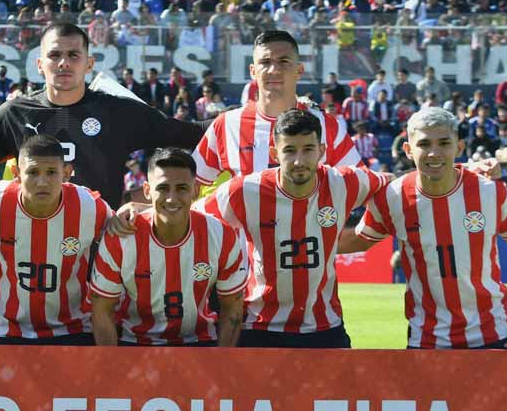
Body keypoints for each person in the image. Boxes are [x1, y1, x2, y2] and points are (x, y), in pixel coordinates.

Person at [0, 22, 210, 207]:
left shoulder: (119, 112)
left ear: (89, 63)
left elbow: (189, 133)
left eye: (73, 55)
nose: (64, 63)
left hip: (99, 247)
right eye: (54, 55)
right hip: (37, 243)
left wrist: (244, 118)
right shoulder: (14, 115)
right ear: (40, 65)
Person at [195, 109, 388, 348]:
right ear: (275, 153)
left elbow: (392, 186)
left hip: (325, 326)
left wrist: (370, 232)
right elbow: (190, 216)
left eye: (308, 149)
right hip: (260, 326)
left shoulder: (346, 182)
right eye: (289, 150)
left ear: (322, 151)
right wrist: (136, 211)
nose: (299, 161)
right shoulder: (244, 191)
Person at [341, 108, 507, 349]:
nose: (434, 152)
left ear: (459, 147)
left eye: (444, 143)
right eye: (424, 144)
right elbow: (359, 240)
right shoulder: (393, 197)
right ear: (408, 149)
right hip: (426, 340)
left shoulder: (491, 192)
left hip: (495, 336)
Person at [90, 148, 247, 347]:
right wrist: (112, 369)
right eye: (163, 188)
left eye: (181, 188)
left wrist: (220, 364)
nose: (172, 198)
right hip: (135, 344)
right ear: (147, 191)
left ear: (195, 190)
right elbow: (102, 310)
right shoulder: (121, 238)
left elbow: (232, 310)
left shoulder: (221, 235)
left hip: (199, 343)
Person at [0, 135, 111, 345]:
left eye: (52, 172)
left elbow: (123, 234)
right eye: (33, 172)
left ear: (67, 174)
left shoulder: (89, 207)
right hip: (7, 330)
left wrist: (132, 210)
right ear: (16, 173)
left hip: (72, 329)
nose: (42, 181)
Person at [193, 30, 360, 186]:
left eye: (284, 62)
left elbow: (363, 185)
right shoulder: (227, 124)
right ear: (253, 71)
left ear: (299, 70)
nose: (273, 70)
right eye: (265, 62)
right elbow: (190, 184)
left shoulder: (327, 125)